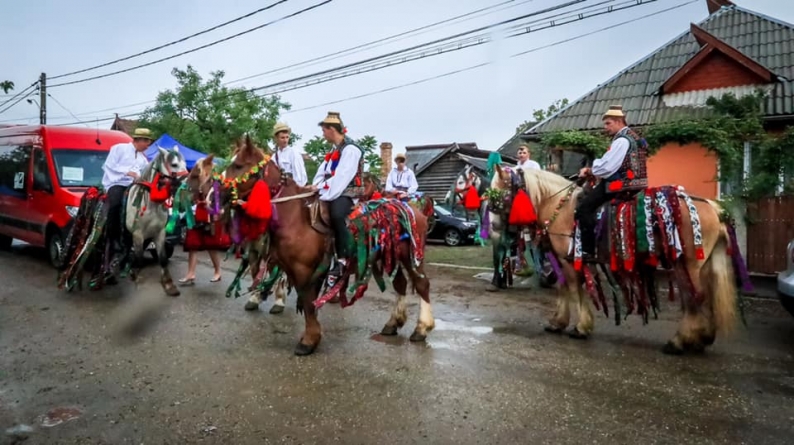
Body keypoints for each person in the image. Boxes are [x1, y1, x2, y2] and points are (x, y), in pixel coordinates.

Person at [573, 105, 647, 260]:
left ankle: (588, 250)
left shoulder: (621, 140)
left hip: (620, 185)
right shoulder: (634, 136)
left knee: (583, 208)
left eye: (608, 123)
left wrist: (590, 170)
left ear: (619, 121)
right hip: (637, 183)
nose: (605, 128)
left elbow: (607, 167)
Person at [310, 111, 365, 287]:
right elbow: (322, 172)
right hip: (331, 189)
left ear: (332, 129)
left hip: (348, 192)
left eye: (324, 130)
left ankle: (343, 258)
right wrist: (314, 186)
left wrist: (321, 188)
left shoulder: (351, 149)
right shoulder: (333, 151)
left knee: (336, 214)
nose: (323, 134)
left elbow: (342, 176)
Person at [101, 128, 154, 259]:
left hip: (134, 186)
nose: (148, 145)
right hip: (117, 183)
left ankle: (136, 235)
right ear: (139, 140)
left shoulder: (143, 159)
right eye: (147, 141)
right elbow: (109, 165)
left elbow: (146, 175)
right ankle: (112, 237)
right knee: (116, 204)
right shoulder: (119, 148)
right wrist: (127, 172)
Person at [272, 122, 308, 186]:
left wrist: (297, 189)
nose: (285, 140)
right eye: (282, 138)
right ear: (276, 139)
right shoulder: (274, 157)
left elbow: (299, 175)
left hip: (292, 188)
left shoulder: (294, 153)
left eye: (287, 137)